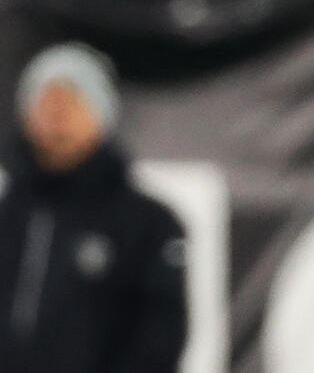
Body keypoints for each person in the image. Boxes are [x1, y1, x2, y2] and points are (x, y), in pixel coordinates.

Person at [0, 42, 187, 372]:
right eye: (46, 99)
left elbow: (160, 341)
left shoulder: (148, 225)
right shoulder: (7, 213)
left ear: (102, 115)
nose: (57, 112)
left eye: (73, 98)